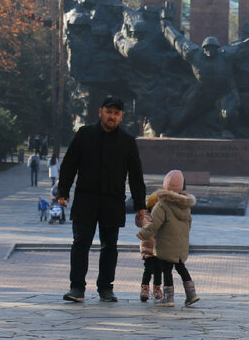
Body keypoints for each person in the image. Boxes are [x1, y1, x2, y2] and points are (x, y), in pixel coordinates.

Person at [56, 95, 146, 303]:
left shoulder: (127, 141)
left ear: (121, 116)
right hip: (85, 199)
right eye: (109, 112)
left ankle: (106, 288)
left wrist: (140, 205)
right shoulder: (84, 134)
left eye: (116, 113)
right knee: (80, 243)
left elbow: (136, 175)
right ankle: (77, 288)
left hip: (112, 202)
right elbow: (69, 164)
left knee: (110, 246)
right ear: (100, 112)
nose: (112, 116)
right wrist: (63, 191)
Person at [136, 169, 197, 306]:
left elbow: (154, 223)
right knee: (181, 267)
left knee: (167, 270)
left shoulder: (162, 204)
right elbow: (189, 224)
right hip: (180, 244)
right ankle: (191, 294)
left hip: (166, 243)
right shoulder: (185, 205)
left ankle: (169, 298)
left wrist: (142, 234)